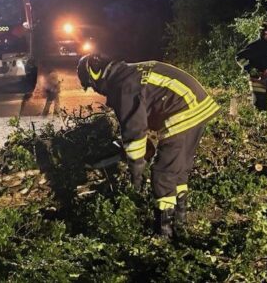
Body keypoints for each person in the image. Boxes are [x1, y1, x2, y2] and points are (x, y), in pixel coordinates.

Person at [77, 54, 219, 238]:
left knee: (163, 173)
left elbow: (134, 131)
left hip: (182, 111)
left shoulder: (124, 85)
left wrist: (136, 176)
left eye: (92, 86)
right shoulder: (129, 73)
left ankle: (163, 236)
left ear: (96, 77)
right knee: (178, 170)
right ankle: (180, 225)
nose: (97, 91)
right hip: (198, 106)